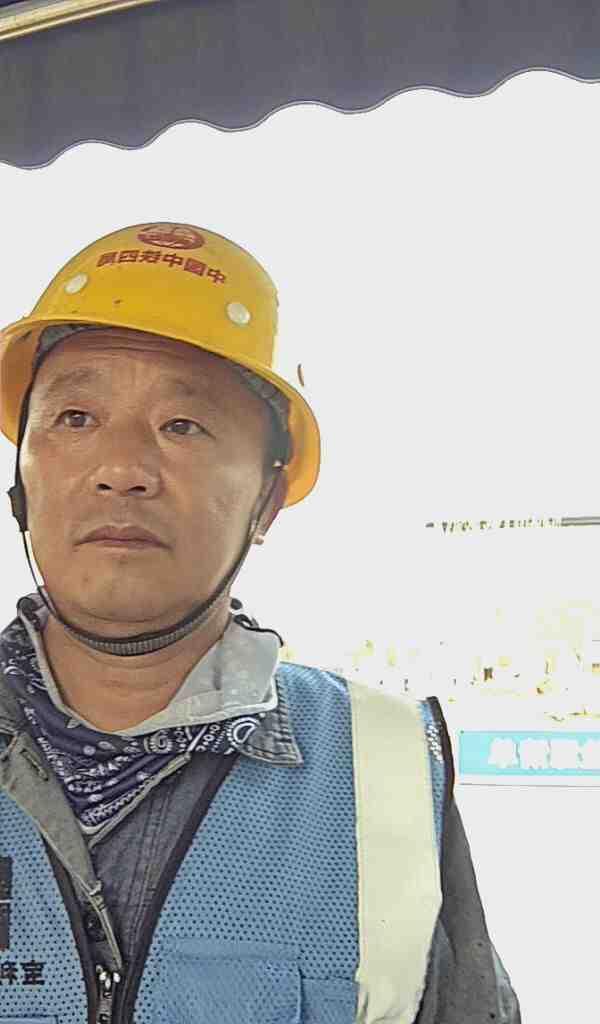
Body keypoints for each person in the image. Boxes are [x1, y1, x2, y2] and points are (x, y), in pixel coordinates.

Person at [0, 222, 520, 1023]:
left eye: (183, 425)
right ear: (22, 473)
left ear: (268, 498)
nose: (121, 469)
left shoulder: (380, 765)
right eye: (75, 417)